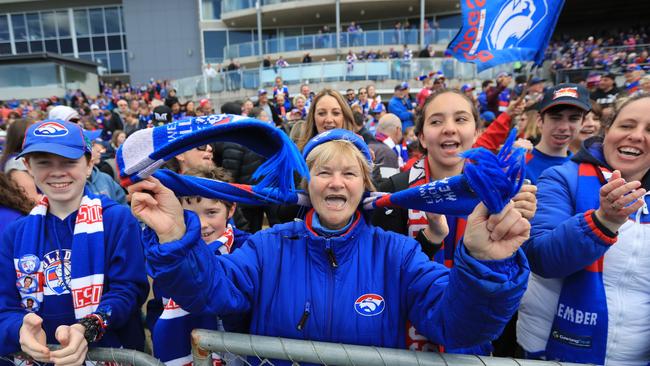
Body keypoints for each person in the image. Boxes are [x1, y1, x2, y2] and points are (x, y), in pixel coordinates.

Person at [130, 128, 530, 362]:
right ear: (308, 185)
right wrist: (173, 237)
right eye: (323, 172)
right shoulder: (268, 248)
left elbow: (458, 325)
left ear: (364, 186)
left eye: (349, 173)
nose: (336, 182)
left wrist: (483, 264)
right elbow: (208, 292)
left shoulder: (397, 253)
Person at [372, 89, 537, 354]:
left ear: (476, 133)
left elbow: (509, 287)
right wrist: (429, 239)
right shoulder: (394, 193)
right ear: (422, 137)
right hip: (403, 344)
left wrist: (518, 226)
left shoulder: (501, 194)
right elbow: (384, 277)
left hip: (475, 342)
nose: (449, 129)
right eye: (436, 121)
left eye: (460, 119)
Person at [517, 93, 650, 365]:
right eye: (626, 125)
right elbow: (540, 257)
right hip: (552, 354)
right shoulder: (561, 177)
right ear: (607, 130)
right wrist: (603, 221)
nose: (636, 136)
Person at [0, 120, 148, 362]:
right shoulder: (15, 233)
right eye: (44, 162)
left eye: (69, 162)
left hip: (110, 353)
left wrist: (89, 327)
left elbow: (129, 290)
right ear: (28, 166)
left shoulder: (117, 219)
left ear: (89, 164)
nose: (57, 172)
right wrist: (19, 329)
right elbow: (4, 306)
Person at [151, 167, 250, 365]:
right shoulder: (170, 253)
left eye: (211, 212)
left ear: (231, 209)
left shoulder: (247, 248)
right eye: (190, 215)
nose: (202, 224)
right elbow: (159, 301)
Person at [525, 84, 591, 184]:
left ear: (582, 123)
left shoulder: (585, 170)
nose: (563, 127)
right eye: (556, 118)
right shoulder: (519, 161)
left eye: (573, 119)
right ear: (539, 120)